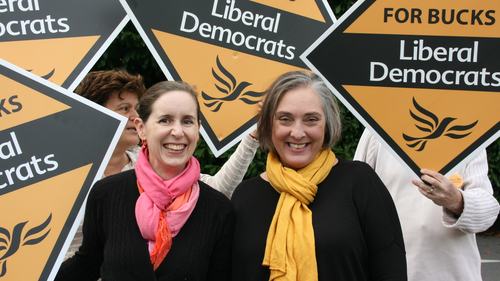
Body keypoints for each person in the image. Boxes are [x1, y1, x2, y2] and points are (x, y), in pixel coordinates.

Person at [65, 69, 260, 259]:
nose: (135, 115)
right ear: (95, 114)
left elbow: (217, 191)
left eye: (137, 108)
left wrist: (253, 138)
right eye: (124, 108)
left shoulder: (152, 167)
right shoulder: (61, 174)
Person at [231, 71, 407, 281]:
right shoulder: (244, 196)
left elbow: (391, 270)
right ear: (269, 125)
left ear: (327, 125)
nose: (297, 133)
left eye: (311, 120)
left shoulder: (360, 182)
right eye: (285, 119)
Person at [354, 129, 500, 281]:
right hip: (389, 272)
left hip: (453, 273)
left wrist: (456, 201)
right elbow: (354, 200)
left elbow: (487, 213)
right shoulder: (377, 130)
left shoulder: (467, 132)